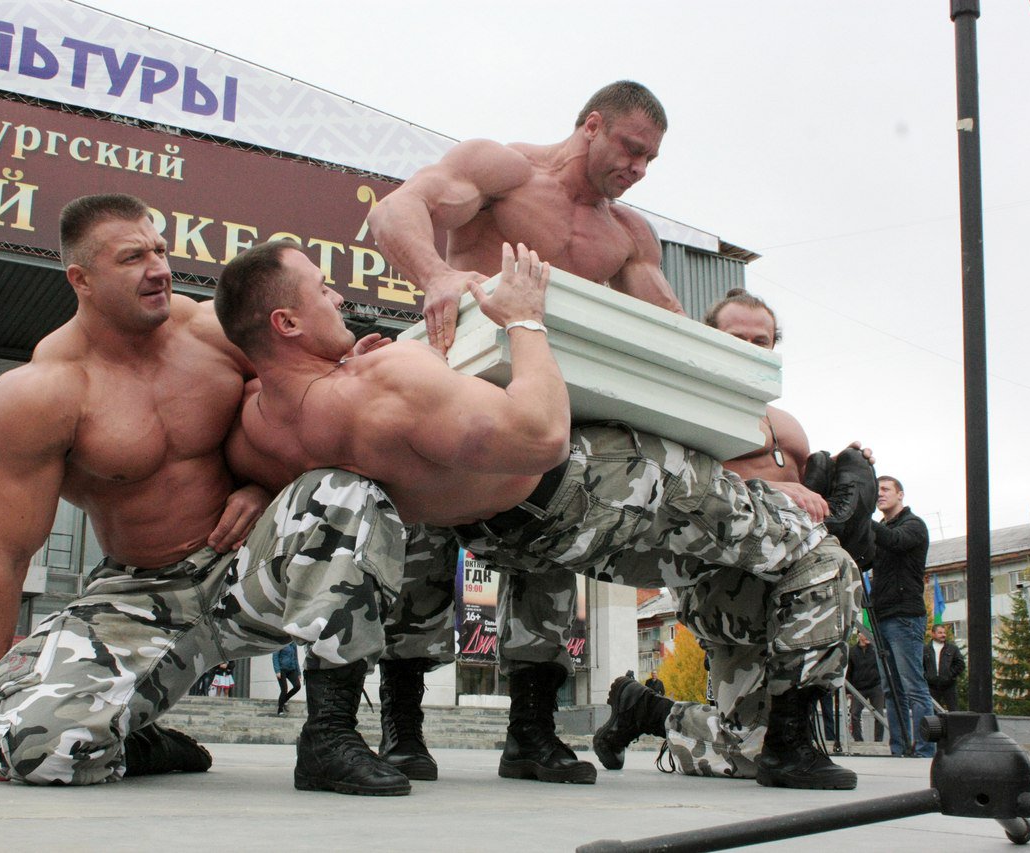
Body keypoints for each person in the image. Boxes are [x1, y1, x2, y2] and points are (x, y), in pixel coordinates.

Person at [216, 239, 861, 792]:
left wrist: (251, 492)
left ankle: (531, 734)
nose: (339, 299)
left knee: (530, 568)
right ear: (287, 323)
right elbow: (544, 434)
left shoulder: (259, 424)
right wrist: (526, 322)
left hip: (512, 531)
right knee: (823, 558)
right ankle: (793, 746)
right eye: (324, 290)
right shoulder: (388, 373)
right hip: (594, 483)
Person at [0, 194, 413, 797]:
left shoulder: (210, 331)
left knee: (344, 492)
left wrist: (259, 483)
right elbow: (3, 554)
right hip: (139, 593)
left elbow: (296, 404)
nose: (159, 269)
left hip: (246, 567)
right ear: (81, 279)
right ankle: (136, 739)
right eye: (133, 258)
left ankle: (330, 736)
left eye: (161, 250)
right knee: (28, 748)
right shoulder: (42, 392)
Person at [366, 80, 692, 786]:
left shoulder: (627, 233)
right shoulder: (502, 170)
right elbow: (397, 209)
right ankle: (401, 729)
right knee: (420, 552)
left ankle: (532, 734)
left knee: (546, 553)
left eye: (649, 160)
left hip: (539, 409)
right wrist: (434, 275)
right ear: (591, 126)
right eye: (630, 149)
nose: (636, 169)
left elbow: (671, 328)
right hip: (455, 386)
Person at [594, 290, 874, 782]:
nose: (749, 347)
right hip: (722, 587)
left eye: (760, 340)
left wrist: (845, 478)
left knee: (746, 754)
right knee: (833, 569)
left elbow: (811, 512)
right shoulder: (685, 407)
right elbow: (677, 484)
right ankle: (791, 748)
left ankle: (644, 710)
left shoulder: (787, 423)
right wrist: (768, 488)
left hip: (789, 593)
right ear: (711, 341)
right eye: (736, 338)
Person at [871, 475, 935, 757]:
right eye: (876, 491)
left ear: (900, 494)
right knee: (890, 689)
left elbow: (896, 541)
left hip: (905, 615)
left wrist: (863, 518)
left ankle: (924, 749)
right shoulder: (881, 529)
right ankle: (899, 748)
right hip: (881, 614)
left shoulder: (913, 525)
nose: (880, 494)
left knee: (913, 686)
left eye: (885, 489)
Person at [847, 631, 885, 742]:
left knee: (879, 715)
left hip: (875, 686)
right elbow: (848, 671)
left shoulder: (875, 650)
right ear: (859, 635)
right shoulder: (852, 651)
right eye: (865, 634)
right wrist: (848, 691)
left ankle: (878, 740)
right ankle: (858, 740)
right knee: (854, 714)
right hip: (858, 688)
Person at [923, 623, 965, 711]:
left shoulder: (952, 649)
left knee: (954, 711)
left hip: (949, 685)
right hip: (931, 686)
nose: (943, 635)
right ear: (933, 634)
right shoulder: (925, 649)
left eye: (944, 633)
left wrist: (949, 675)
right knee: (932, 711)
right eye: (940, 633)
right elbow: (920, 665)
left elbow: (960, 664)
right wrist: (927, 677)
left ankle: (953, 725)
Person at [274, 642, 303, 716]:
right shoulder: (280, 642)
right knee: (284, 689)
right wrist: (277, 670)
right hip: (282, 669)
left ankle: (283, 700)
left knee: (297, 686)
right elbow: (275, 656)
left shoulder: (293, 644)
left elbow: (296, 658)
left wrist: (298, 672)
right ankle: (280, 710)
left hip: (291, 669)